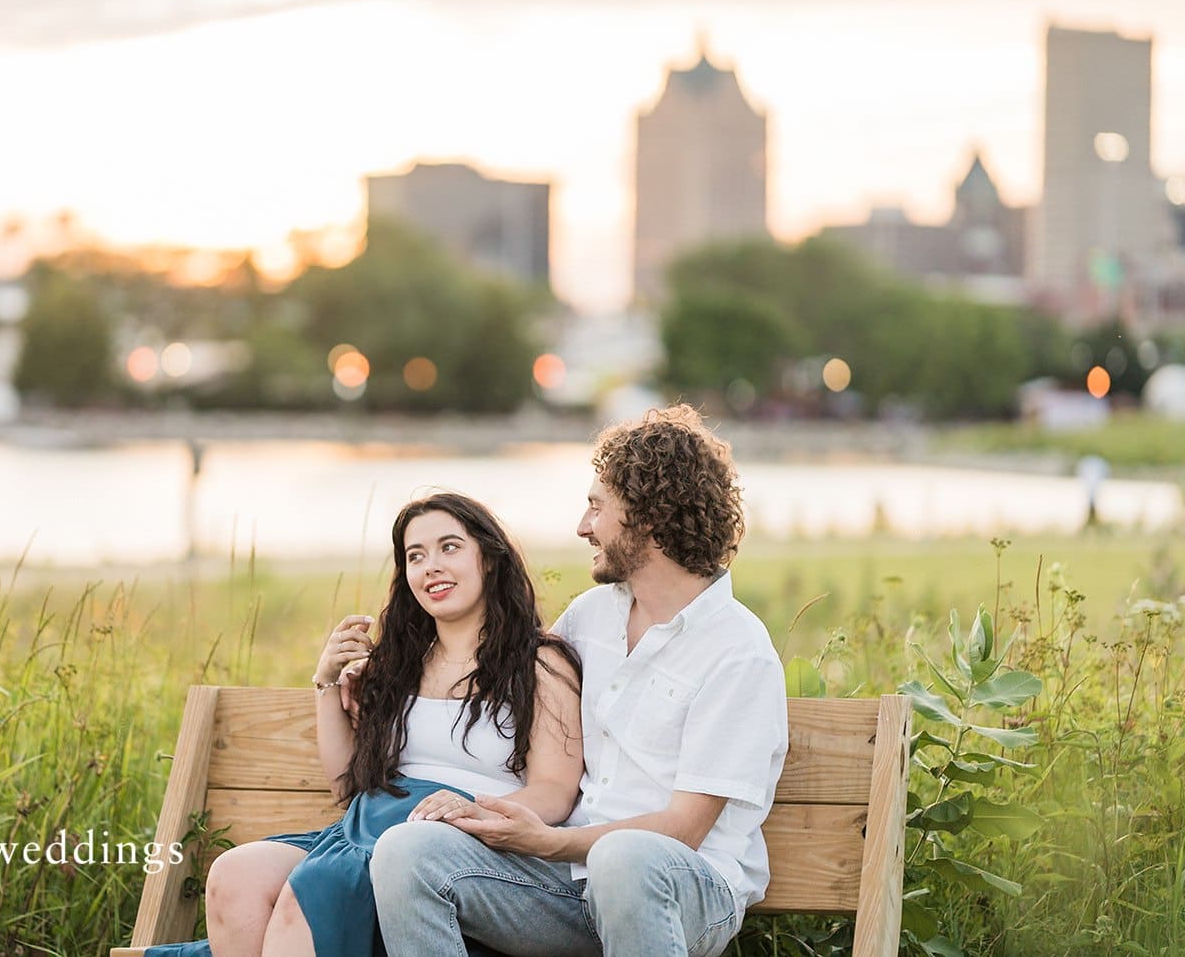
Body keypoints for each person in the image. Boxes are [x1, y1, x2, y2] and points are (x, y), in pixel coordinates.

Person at [371, 405, 789, 957]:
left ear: (649, 515)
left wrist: (550, 841)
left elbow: (684, 828)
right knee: (407, 852)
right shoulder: (590, 618)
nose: (582, 526)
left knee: (626, 858)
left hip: (686, 889)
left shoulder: (737, 651)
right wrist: (372, 678)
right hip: (571, 883)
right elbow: (503, 694)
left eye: (596, 507)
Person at [146, 492, 583, 957]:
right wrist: (327, 684)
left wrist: (469, 810)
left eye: (449, 547)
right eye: (416, 556)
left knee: (316, 890)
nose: (431, 566)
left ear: (489, 559)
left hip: (459, 842)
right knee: (236, 875)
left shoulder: (538, 663)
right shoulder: (400, 663)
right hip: (364, 830)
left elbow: (555, 791)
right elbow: (347, 785)